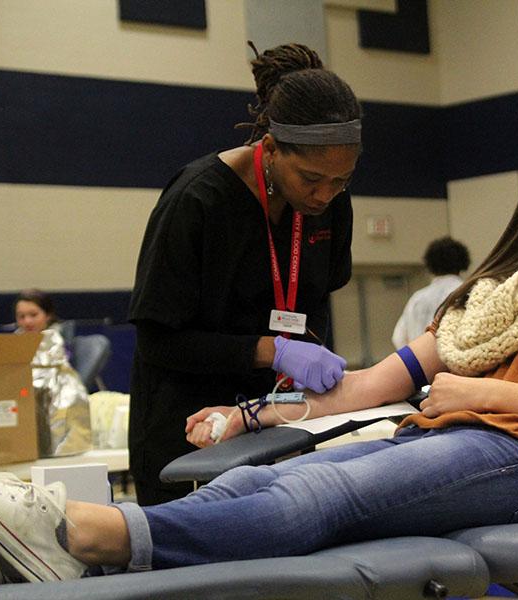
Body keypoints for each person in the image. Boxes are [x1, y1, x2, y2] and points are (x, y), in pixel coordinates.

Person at [0, 116, 518, 585]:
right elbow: (376, 382)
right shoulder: (499, 291)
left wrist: (485, 397)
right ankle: (60, 541)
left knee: (318, 503)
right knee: (268, 478)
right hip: (442, 435)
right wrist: (251, 413)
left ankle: (76, 534)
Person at [127, 42, 361, 504]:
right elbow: (157, 340)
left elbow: (313, 309)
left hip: (278, 424)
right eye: (311, 179)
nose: (324, 196)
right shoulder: (197, 200)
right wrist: (270, 350)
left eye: (342, 181)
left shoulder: (331, 206)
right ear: (270, 148)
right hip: (188, 435)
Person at [15, 288, 91, 457]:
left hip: (58, 396)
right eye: (21, 316)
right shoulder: (15, 342)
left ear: (47, 315)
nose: (27, 321)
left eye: (33, 315)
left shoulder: (55, 340)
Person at [392, 236, 471, 348]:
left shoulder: (417, 298)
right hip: (452, 361)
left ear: (430, 265)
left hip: (418, 360)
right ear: (463, 262)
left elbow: (398, 337)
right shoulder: (466, 292)